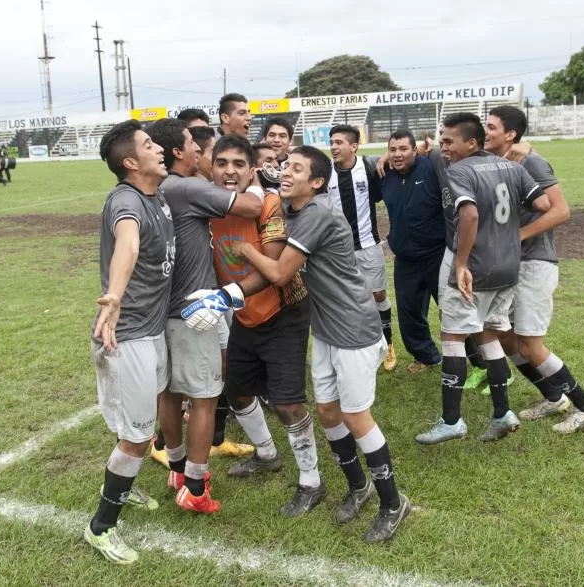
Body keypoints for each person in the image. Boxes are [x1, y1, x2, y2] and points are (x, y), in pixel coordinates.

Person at [230, 146, 411, 543]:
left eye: (298, 169)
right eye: (285, 166)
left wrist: (247, 251)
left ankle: (393, 503)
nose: (287, 172)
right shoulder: (293, 210)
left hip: (354, 329)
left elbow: (279, 273)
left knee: (356, 417)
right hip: (327, 329)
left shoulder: (316, 213)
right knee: (328, 412)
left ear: (316, 183)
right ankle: (358, 486)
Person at [200, 135, 324, 517]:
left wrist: (221, 297)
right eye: (222, 163)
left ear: (251, 169)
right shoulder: (206, 204)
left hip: (282, 312)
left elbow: (274, 272)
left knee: (287, 402)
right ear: (212, 167)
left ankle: (311, 481)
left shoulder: (268, 204)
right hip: (244, 314)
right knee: (236, 391)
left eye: (239, 164)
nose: (230, 171)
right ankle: (267, 454)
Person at [145, 118, 262, 515]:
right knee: (205, 399)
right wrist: (258, 179)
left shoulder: (155, 187)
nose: (202, 152)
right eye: (194, 145)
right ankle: (195, 486)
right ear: (179, 151)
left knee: (169, 393)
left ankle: (177, 469)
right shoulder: (187, 187)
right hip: (192, 312)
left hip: (161, 310)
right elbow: (252, 204)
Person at [416, 113, 551, 445]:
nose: (443, 147)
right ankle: (503, 412)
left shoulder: (460, 170)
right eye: (441, 140)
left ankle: (451, 421)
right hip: (507, 264)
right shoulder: (512, 167)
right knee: (488, 334)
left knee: (453, 336)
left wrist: (460, 263)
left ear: (471, 143)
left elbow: (471, 213)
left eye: (449, 141)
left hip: (473, 264)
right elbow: (544, 203)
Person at [83, 120, 173, 565]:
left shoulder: (157, 196)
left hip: (150, 331)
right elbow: (129, 245)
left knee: (139, 424)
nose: (160, 148)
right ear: (130, 162)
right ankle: (101, 526)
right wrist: (114, 296)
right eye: (149, 144)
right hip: (127, 335)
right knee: (136, 437)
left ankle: (125, 483)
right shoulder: (126, 199)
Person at [484, 106, 584, 433]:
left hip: (534, 264)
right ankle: (554, 397)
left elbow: (561, 211)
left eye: (492, 126)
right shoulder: (493, 161)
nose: (485, 130)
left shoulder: (532, 162)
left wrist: (517, 236)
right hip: (508, 265)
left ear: (510, 134)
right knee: (507, 340)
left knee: (530, 345)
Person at [327, 124, 397, 372]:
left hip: (368, 245)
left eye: (339, 142)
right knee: (347, 299)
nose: (334, 147)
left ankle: (388, 344)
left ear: (353, 146)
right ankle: (358, 347)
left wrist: (388, 155)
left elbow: (400, 155)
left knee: (377, 294)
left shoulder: (369, 166)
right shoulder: (326, 173)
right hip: (338, 250)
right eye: (332, 142)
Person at [378, 130, 446, 374]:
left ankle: (480, 360)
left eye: (403, 149)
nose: (397, 154)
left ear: (415, 150)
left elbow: (453, 157)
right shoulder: (384, 175)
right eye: (392, 149)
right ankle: (427, 356)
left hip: (437, 254)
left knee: (453, 310)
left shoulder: (431, 168)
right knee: (409, 313)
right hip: (405, 258)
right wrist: (381, 159)